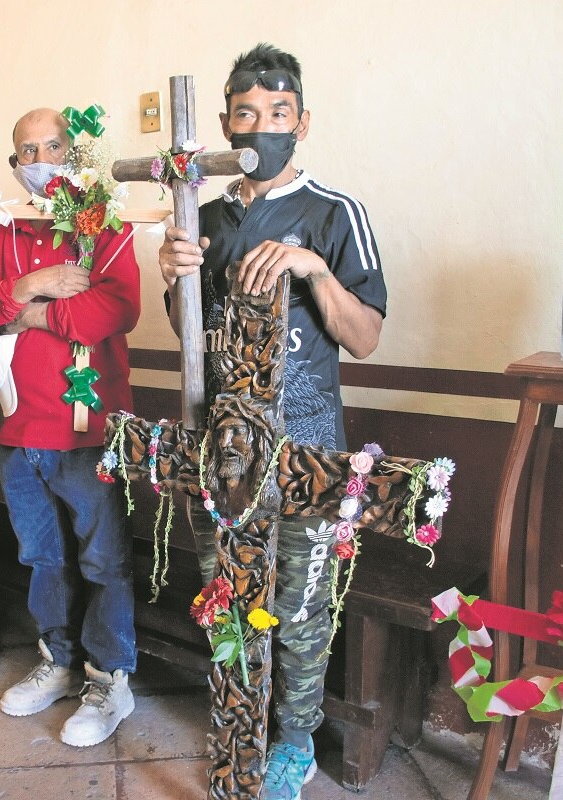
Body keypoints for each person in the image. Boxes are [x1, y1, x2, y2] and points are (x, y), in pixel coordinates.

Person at [157, 43, 387, 798]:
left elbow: (364, 337)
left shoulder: (332, 213)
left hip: (307, 443)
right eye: (247, 113)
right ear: (227, 124)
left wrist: (311, 267)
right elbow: (191, 335)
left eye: (278, 113)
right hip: (222, 448)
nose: (262, 125)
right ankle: (237, 725)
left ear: (303, 121)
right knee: (227, 594)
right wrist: (175, 280)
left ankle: (293, 741)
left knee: (298, 607)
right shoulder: (206, 215)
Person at [0, 108, 140, 748]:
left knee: (103, 559)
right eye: (26, 150)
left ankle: (109, 676)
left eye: (52, 146)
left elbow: (115, 307)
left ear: (74, 151)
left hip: (87, 429)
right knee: (41, 557)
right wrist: (32, 287)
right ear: (15, 164)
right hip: (19, 428)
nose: (39, 159)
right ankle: (57, 662)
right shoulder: (5, 232)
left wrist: (20, 313)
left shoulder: (102, 224)